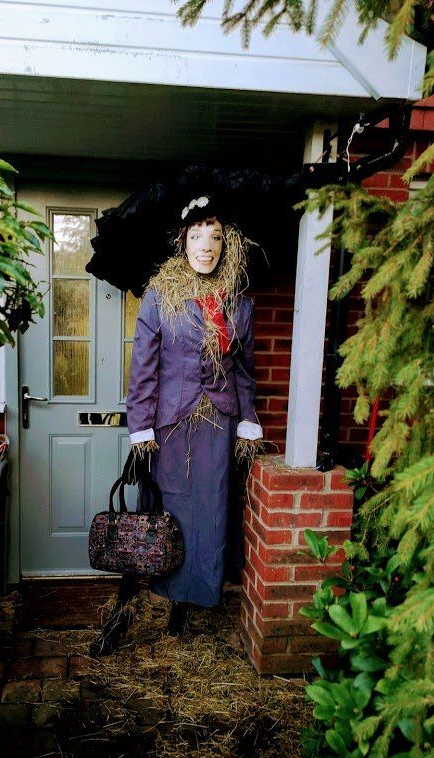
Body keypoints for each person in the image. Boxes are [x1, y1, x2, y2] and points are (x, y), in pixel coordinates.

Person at [89, 194, 263, 658]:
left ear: (227, 245)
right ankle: (159, 594)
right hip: (169, 425)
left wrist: (248, 418)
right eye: (198, 234)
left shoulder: (239, 305)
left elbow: (244, 370)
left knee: (210, 512)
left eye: (216, 236)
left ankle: (191, 601)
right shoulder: (159, 296)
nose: (206, 245)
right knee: (167, 511)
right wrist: (139, 426)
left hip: (218, 423)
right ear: (182, 241)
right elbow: (142, 369)